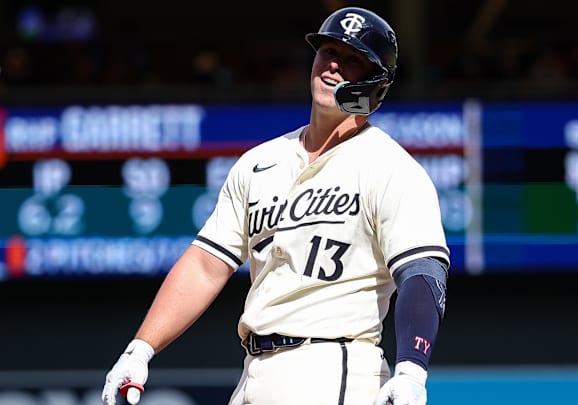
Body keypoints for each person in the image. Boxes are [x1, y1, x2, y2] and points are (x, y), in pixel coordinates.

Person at [101, 6, 449, 405]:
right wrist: (140, 349)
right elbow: (205, 264)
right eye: (328, 52)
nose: (333, 66)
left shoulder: (390, 167)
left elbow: (423, 271)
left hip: (332, 364)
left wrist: (411, 369)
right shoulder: (259, 162)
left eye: (353, 60)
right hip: (253, 370)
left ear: (377, 84)